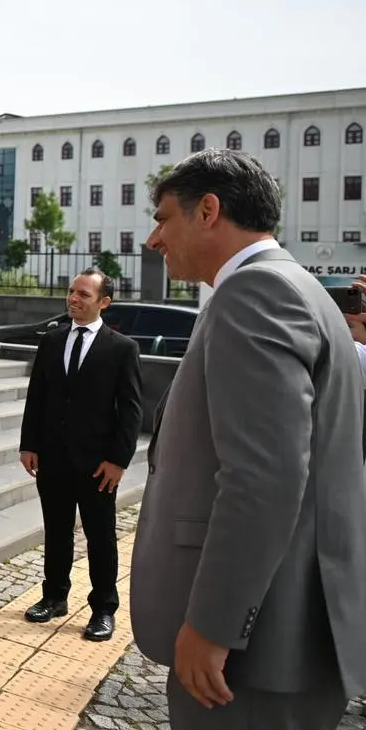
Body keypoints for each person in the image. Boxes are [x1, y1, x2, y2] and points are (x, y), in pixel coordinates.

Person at [130, 150, 366, 730]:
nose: (155, 238)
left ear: (208, 210)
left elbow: (264, 477)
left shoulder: (257, 293)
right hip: (283, 633)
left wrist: (214, 625)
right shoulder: (299, 288)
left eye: (163, 218)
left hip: (258, 650)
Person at [18, 268, 142, 642]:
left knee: (100, 536)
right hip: (52, 459)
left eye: (83, 294)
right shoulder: (52, 341)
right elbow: (37, 396)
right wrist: (29, 444)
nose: (73, 299)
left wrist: (119, 460)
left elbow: (132, 410)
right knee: (56, 532)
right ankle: (54, 597)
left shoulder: (122, 348)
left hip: (98, 465)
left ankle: (104, 609)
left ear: (104, 302)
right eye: (71, 292)